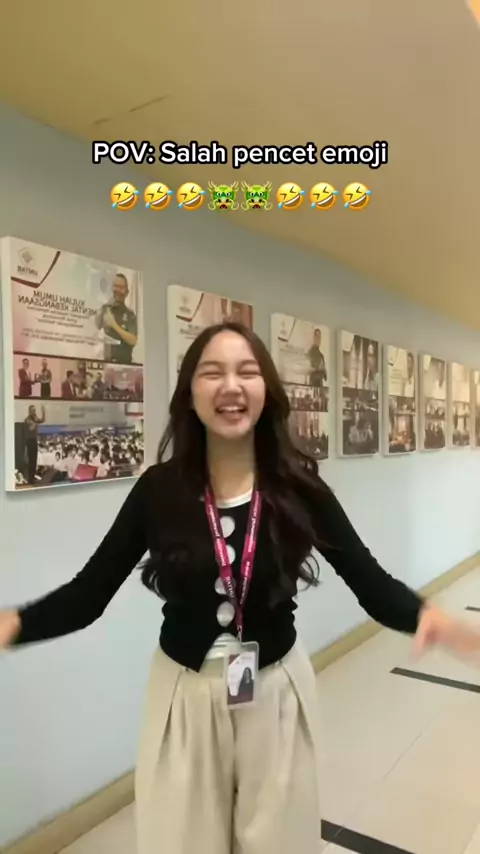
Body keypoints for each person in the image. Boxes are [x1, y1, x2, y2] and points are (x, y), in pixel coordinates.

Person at [2, 322, 480, 854]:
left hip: (276, 693)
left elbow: (368, 579)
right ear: (190, 393)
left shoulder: (300, 488)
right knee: (181, 842)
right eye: (213, 372)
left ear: (266, 392)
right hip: (183, 699)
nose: (231, 385)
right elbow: (87, 595)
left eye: (246, 372)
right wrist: (15, 624)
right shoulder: (158, 491)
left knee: (279, 842)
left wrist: (426, 617)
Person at [94, 273, 138, 364]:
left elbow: (132, 340)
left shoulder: (130, 314)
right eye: (115, 286)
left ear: (127, 292)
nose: (117, 290)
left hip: (125, 363)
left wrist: (114, 325)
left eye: (121, 287)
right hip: (107, 362)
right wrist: (106, 305)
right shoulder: (106, 308)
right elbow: (96, 326)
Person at [23, 404, 45, 484]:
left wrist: (43, 412)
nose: (35, 411)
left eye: (35, 410)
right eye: (33, 410)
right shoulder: (28, 419)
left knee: (34, 461)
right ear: (30, 411)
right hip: (30, 441)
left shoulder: (34, 418)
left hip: (34, 440)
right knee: (31, 460)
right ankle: (30, 479)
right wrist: (35, 423)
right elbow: (31, 428)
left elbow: (42, 420)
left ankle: (32, 477)